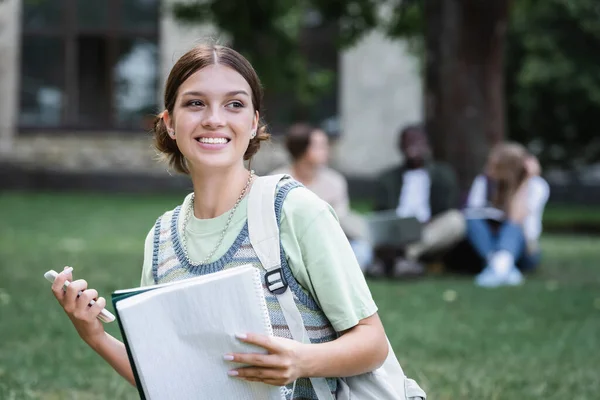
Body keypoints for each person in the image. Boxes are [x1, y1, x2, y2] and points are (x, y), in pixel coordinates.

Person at [49, 44, 390, 398]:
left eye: (235, 104)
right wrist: (95, 335)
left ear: (254, 122)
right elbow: (167, 375)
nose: (214, 119)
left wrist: (303, 361)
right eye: (195, 103)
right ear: (170, 124)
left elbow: (373, 343)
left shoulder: (296, 211)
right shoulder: (162, 239)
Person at [272, 122, 373, 271]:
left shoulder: (335, 181)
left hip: (330, 241)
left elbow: (340, 219)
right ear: (302, 149)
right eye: (320, 146)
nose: (327, 150)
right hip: (293, 245)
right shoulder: (277, 182)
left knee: (362, 251)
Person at [371, 124, 465, 277]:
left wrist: (425, 223)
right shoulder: (387, 178)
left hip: (427, 229)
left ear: (427, 145)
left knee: (456, 220)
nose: (412, 146)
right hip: (394, 230)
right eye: (408, 142)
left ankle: (400, 256)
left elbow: (448, 208)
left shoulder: (442, 174)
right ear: (400, 146)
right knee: (344, 217)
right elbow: (379, 212)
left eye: (418, 141)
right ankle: (394, 258)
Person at [464, 142, 550, 287]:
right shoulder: (483, 182)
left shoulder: (536, 186)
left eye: (494, 165)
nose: (487, 169)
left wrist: (525, 181)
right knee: (471, 219)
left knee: (513, 226)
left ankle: (498, 267)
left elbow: (517, 219)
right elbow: (473, 213)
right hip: (489, 244)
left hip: (524, 251)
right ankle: (500, 267)